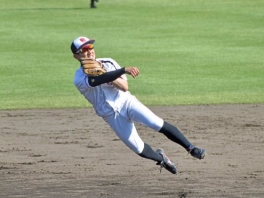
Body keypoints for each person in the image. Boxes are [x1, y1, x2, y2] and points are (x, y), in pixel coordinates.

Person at [70, 36, 206, 174]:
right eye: (84, 49)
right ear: (76, 56)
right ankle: (162, 159)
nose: (89, 51)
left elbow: (124, 87)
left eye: (90, 47)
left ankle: (191, 148)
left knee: (156, 123)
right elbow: (94, 81)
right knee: (138, 149)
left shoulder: (108, 62)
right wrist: (119, 71)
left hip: (127, 103)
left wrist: (107, 72)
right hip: (111, 116)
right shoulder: (79, 78)